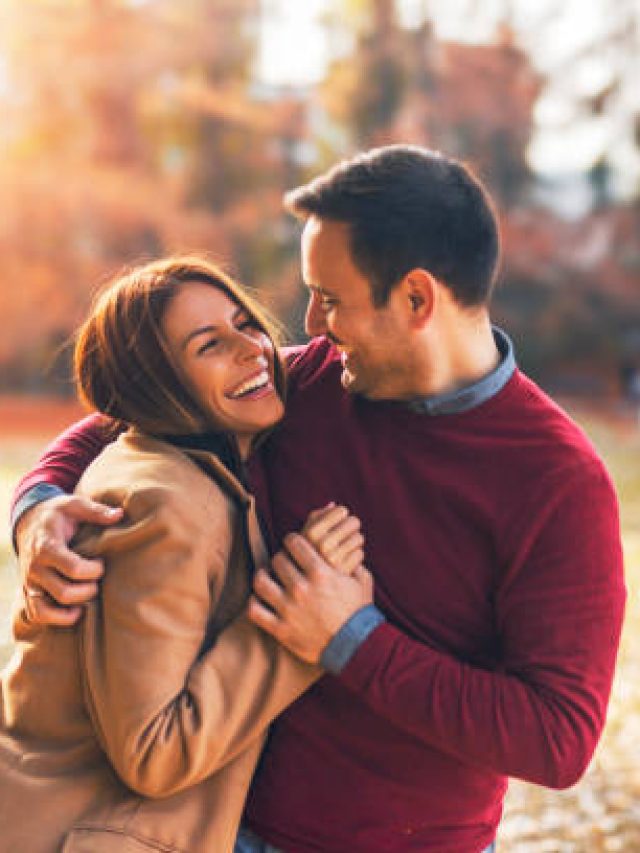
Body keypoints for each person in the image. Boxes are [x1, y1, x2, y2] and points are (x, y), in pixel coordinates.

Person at [12, 146, 626, 853]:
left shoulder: (556, 482)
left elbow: (557, 738)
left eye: (330, 299)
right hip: (220, 830)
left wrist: (351, 638)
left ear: (417, 299)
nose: (308, 323)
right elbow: (128, 414)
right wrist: (39, 507)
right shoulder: (309, 385)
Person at [0, 257, 369, 853]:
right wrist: (297, 625)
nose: (251, 350)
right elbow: (153, 751)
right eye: (209, 346)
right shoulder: (165, 506)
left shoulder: (177, 465)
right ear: (155, 386)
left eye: (246, 323)